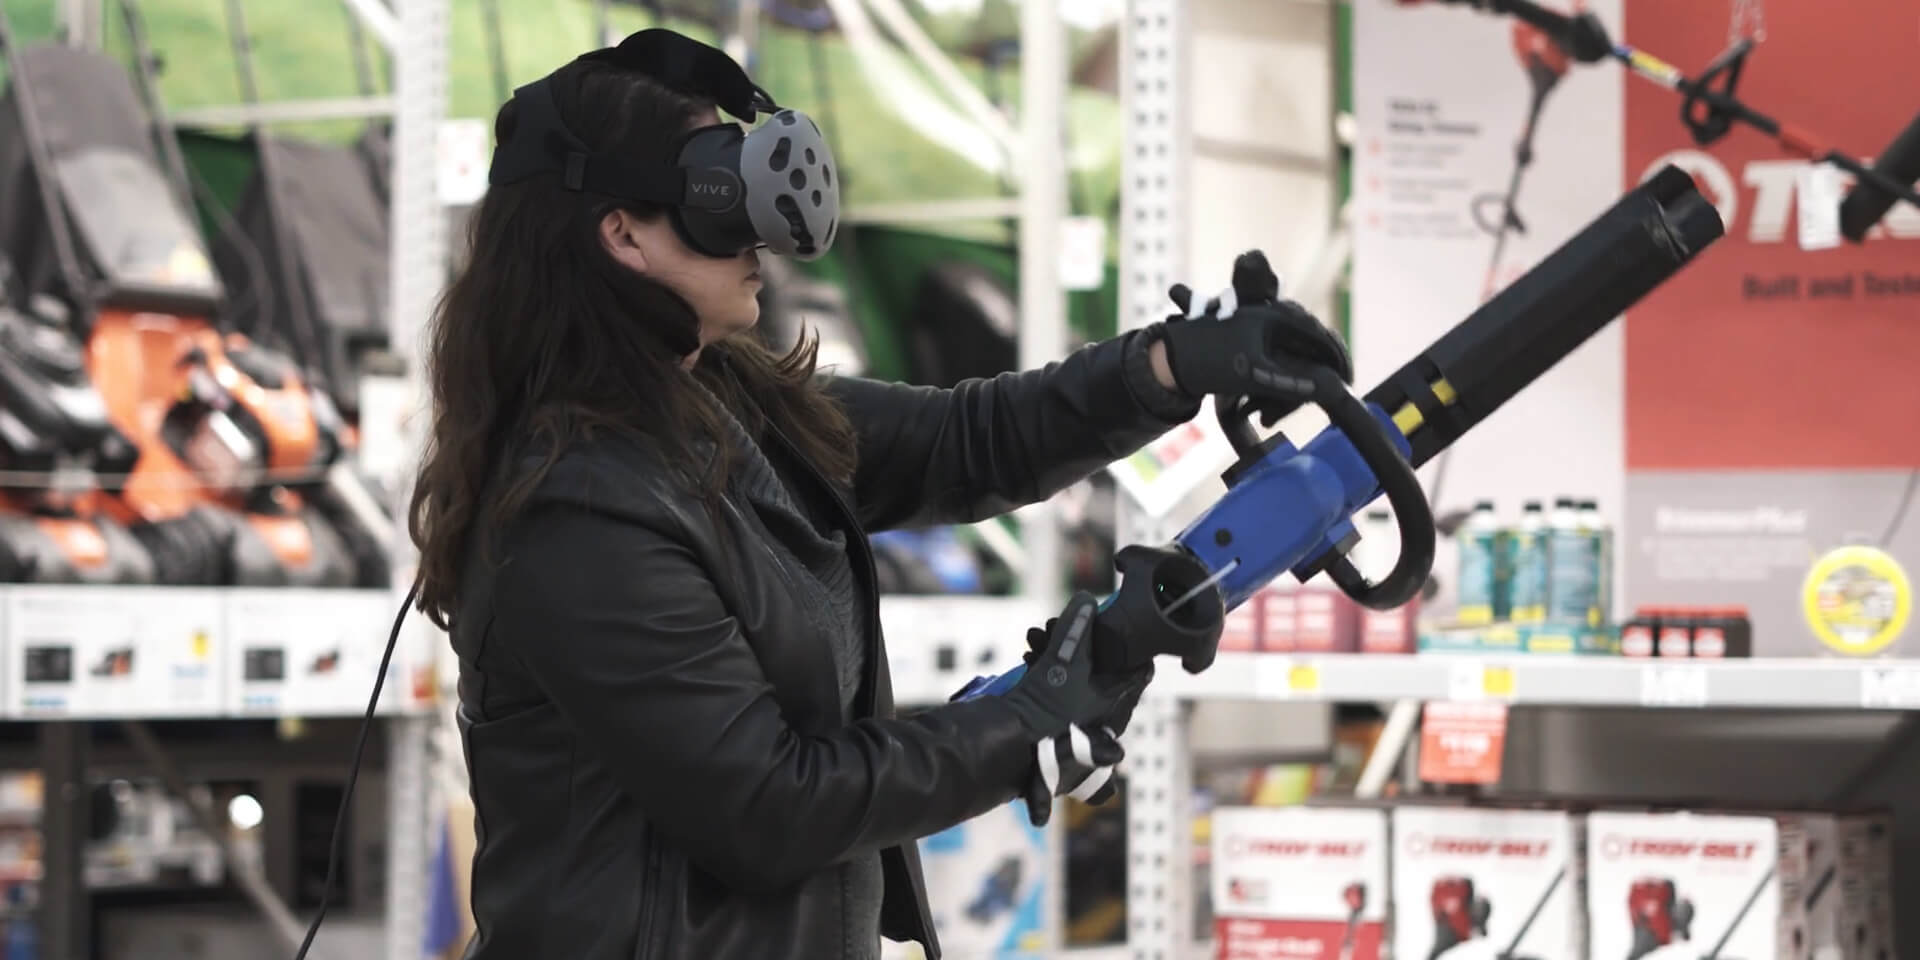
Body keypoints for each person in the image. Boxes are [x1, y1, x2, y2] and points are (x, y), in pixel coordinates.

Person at [406, 30, 1352, 960]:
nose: (761, 237)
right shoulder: (579, 507)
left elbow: (970, 440)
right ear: (622, 236)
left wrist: (1170, 364)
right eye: (716, 200)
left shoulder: (734, 407)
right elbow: (766, 805)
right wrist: (1017, 728)